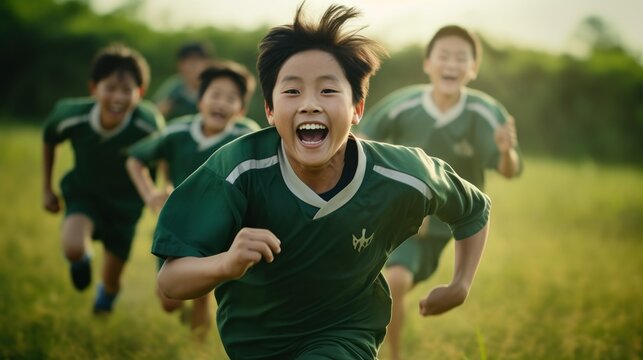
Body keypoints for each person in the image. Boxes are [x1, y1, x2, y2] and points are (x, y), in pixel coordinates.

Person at [152, 5, 490, 359]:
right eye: (292, 92)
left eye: (328, 91)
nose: (310, 104)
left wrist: (460, 285)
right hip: (254, 343)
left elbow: (472, 210)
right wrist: (226, 262)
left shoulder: (404, 173)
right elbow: (170, 280)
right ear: (269, 110)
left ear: (358, 108)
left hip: (345, 334)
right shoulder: (236, 170)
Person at [357, 25, 522, 360]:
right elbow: (359, 139)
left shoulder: (485, 113)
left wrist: (506, 151)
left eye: (461, 57)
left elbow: (509, 171)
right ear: (428, 63)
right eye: (443, 55)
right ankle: (393, 354)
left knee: (390, 283)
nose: (451, 63)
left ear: (472, 69)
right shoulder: (401, 105)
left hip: (449, 224)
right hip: (403, 217)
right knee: (396, 281)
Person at [126, 61, 259, 339]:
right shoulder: (177, 132)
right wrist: (151, 193)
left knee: (202, 284)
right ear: (200, 100)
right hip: (178, 225)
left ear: (241, 109)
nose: (222, 103)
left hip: (220, 225)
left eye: (231, 98)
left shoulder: (246, 136)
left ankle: (201, 311)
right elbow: (135, 159)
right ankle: (195, 299)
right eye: (215, 95)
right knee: (169, 302)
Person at [42, 44, 165, 314]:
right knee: (73, 247)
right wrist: (46, 189)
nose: (118, 97)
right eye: (110, 88)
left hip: (125, 208)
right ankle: (81, 260)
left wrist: (159, 191)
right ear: (94, 88)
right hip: (85, 194)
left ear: (140, 93)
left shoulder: (148, 124)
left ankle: (105, 301)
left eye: (127, 90)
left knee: (112, 281)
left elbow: (163, 157)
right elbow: (49, 140)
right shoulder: (70, 116)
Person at [153, 41, 214, 120]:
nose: (193, 66)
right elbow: (156, 113)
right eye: (189, 61)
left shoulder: (213, 86)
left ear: (207, 63)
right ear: (180, 64)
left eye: (197, 60)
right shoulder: (173, 87)